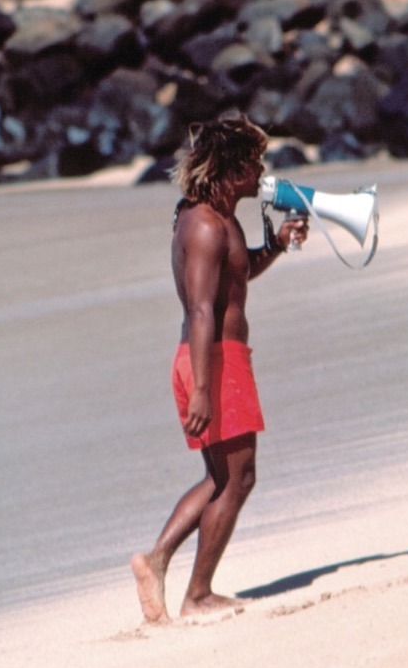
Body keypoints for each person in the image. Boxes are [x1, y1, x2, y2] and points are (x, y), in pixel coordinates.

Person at [131, 115, 309, 622]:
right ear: (232, 168)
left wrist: (275, 244)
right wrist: (205, 388)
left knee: (219, 476)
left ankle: (156, 560)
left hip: (214, 360)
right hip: (215, 362)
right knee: (240, 477)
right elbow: (202, 308)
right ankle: (198, 594)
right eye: (254, 163)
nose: (262, 172)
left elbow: (240, 273)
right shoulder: (207, 225)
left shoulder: (215, 216)